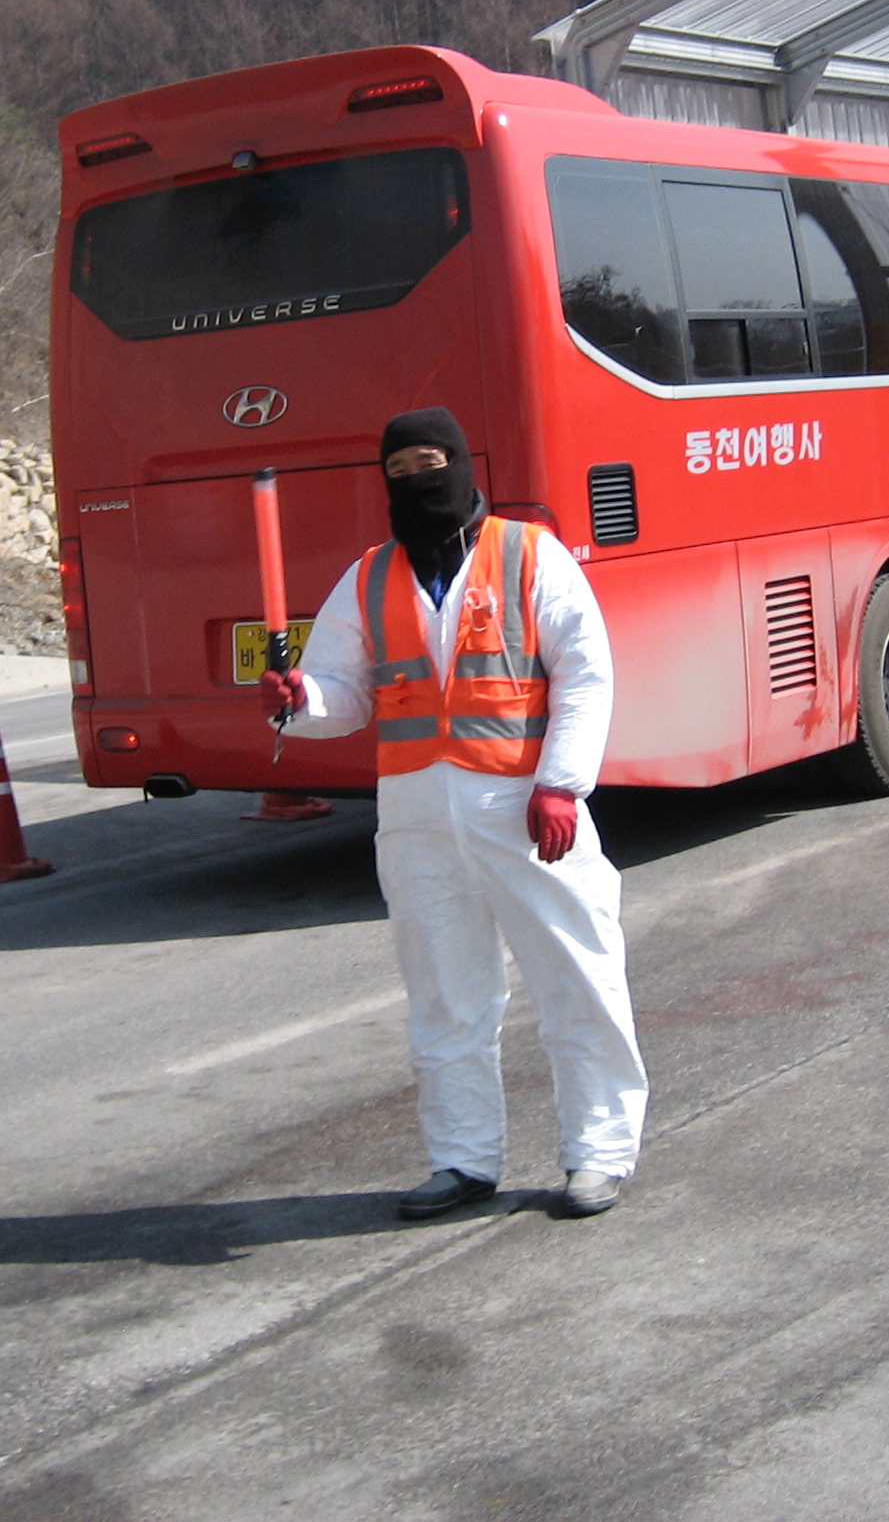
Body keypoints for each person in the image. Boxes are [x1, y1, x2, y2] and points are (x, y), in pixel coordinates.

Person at [260, 408, 647, 1220]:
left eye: (429, 463)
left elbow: (585, 673)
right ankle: (463, 1160)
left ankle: (599, 1153)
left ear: (462, 465)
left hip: (524, 810)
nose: (416, 481)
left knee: (577, 977)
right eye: (399, 471)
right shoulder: (368, 577)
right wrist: (301, 699)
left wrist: (561, 784)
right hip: (417, 822)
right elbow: (343, 692)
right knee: (443, 996)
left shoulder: (529, 554)